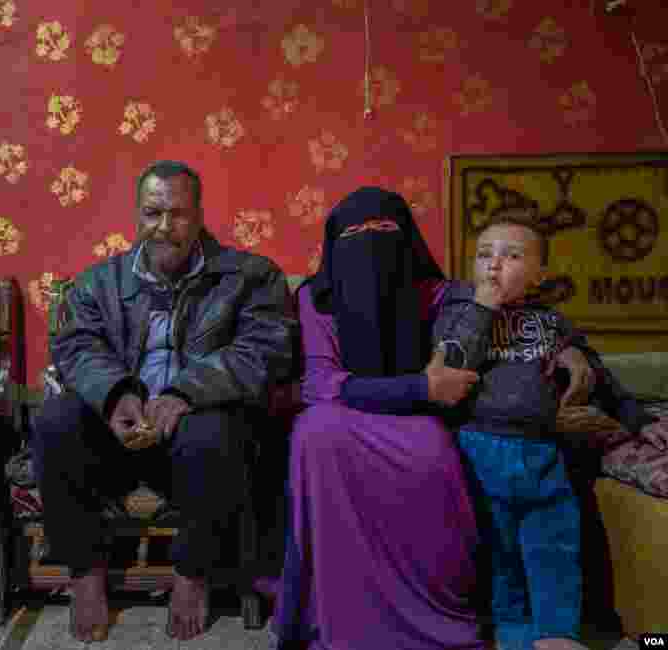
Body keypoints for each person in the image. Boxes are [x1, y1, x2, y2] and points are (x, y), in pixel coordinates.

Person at [272, 187, 603, 650]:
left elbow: (516, 312)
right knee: (315, 434)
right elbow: (320, 383)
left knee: (435, 451)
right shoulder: (316, 298)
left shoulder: (440, 292)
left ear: (406, 239)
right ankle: (339, 613)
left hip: (422, 418)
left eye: (384, 231)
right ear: (334, 242)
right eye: (355, 234)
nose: (371, 246)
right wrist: (418, 387)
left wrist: (572, 349)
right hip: (348, 412)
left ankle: (440, 611)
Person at [33, 160, 297, 642]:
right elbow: (77, 346)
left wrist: (185, 393)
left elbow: (265, 350)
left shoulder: (251, 277)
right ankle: (85, 571)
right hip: (119, 439)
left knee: (212, 432)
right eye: (153, 213)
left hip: (199, 448)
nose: (163, 227)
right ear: (137, 214)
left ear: (198, 216)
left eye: (177, 214)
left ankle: (192, 575)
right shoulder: (98, 283)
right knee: (55, 420)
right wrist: (117, 397)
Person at [432, 217, 665, 650]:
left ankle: (556, 633)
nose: (494, 265)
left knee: (555, 544)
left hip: (543, 452)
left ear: (539, 275)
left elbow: (599, 373)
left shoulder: (552, 323)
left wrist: (635, 419)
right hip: (481, 449)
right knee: (499, 552)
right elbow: (455, 357)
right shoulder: (458, 313)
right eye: (484, 255)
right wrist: (483, 307)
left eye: (511, 255)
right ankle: (513, 632)